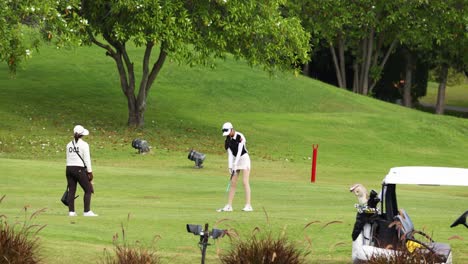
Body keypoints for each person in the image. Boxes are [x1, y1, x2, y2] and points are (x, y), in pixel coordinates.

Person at [217, 122, 253, 212]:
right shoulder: (227, 141)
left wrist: (235, 164)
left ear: (232, 129)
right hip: (234, 161)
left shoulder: (240, 136)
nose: (228, 134)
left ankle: (248, 205)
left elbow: (240, 151)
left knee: (245, 182)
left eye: (229, 132)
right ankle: (229, 205)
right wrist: (230, 166)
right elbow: (230, 155)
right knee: (233, 182)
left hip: (244, 159)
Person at [65, 125, 98, 217]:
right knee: (88, 189)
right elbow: (87, 159)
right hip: (78, 169)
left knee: (71, 190)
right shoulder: (84, 145)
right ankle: (87, 211)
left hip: (69, 168)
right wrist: (90, 172)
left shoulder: (68, 145)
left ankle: (71, 212)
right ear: (82, 135)